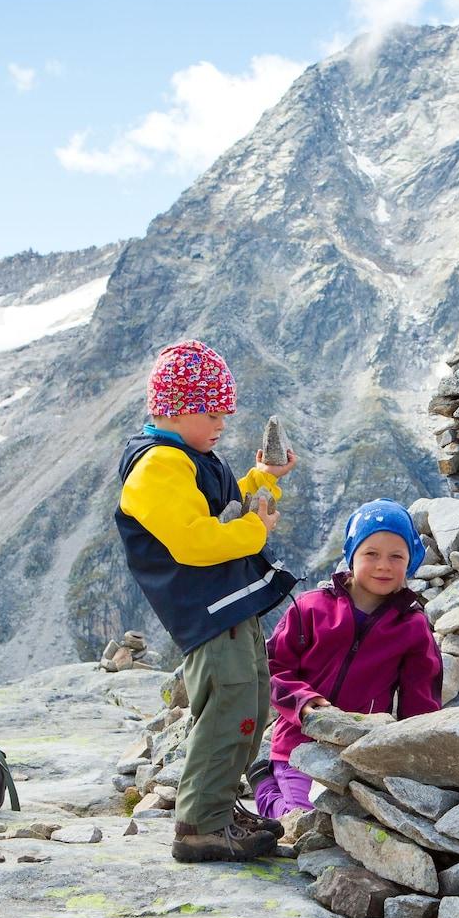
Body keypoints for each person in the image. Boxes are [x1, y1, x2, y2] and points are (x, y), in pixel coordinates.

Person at [114, 340, 297, 863]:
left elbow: (219, 503)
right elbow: (192, 540)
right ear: (172, 409)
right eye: (210, 412)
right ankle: (200, 827)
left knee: (250, 702)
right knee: (228, 707)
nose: (222, 423)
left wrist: (262, 481)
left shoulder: (186, 458)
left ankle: (217, 808)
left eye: (224, 412)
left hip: (227, 605)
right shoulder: (156, 468)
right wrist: (254, 533)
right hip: (206, 610)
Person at [260, 499, 444, 836]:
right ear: (352, 554)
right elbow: (271, 669)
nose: (383, 566)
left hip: (359, 751)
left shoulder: (412, 626)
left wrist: (414, 755)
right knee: (306, 827)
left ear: (411, 561)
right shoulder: (310, 608)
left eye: (396, 556)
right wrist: (302, 701)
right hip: (298, 744)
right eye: (371, 553)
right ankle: (265, 787)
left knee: (353, 826)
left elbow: (421, 697)